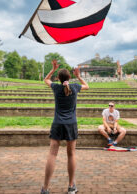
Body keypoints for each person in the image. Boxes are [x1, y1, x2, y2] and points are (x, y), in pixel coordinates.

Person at [41, 60, 89, 194]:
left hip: (57, 123)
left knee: (52, 154)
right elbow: (87, 86)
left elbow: (46, 79)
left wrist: (53, 69)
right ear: (69, 78)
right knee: (71, 154)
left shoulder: (56, 87)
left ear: (58, 78)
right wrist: (78, 76)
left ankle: (45, 188)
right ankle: (71, 186)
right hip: (71, 124)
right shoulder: (74, 87)